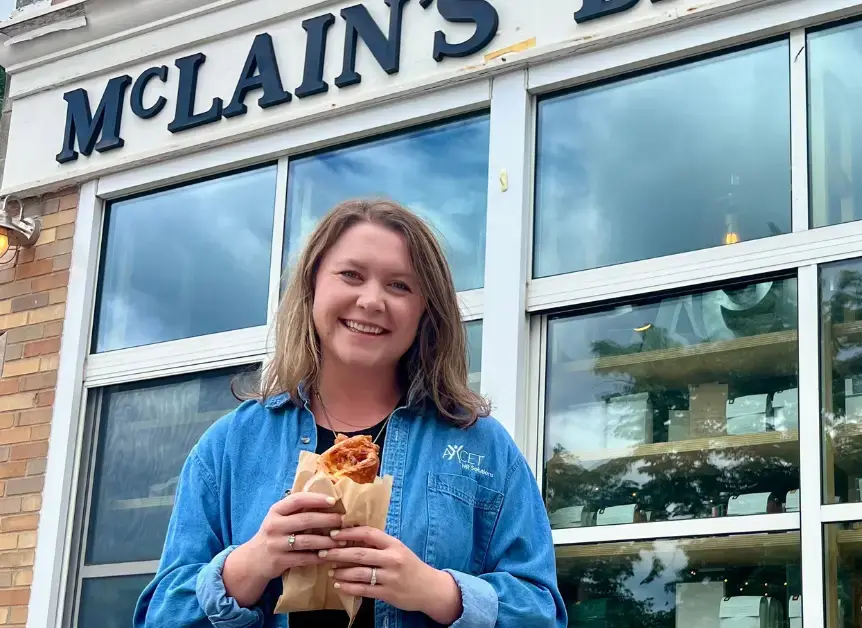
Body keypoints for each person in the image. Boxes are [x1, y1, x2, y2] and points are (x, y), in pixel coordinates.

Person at [134, 199, 567, 627]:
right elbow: (161, 617)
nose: (372, 300)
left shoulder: (480, 445)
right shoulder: (230, 446)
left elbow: (542, 610)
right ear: (312, 287)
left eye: (400, 285)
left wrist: (437, 592)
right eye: (351, 275)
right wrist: (250, 564)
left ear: (425, 311)